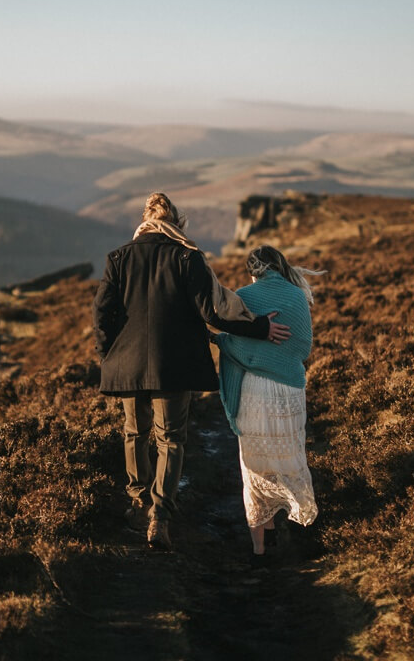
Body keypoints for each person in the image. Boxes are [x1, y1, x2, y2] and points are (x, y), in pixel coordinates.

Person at [93, 193, 291, 550]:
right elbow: (214, 311)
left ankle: (139, 500)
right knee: (170, 439)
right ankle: (161, 515)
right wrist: (260, 328)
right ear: (176, 223)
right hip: (174, 365)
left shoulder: (118, 258)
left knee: (134, 433)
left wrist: (109, 356)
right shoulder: (187, 257)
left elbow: (102, 314)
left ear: (145, 221)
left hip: (127, 364)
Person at [213, 244, 322, 565]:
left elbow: (235, 340)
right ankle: (298, 540)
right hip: (289, 390)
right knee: (290, 459)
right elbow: (303, 346)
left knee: (254, 467)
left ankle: (262, 549)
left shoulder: (243, 296)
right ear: (280, 265)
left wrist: (219, 340)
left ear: (252, 271)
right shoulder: (296, 296)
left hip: (254, 391)